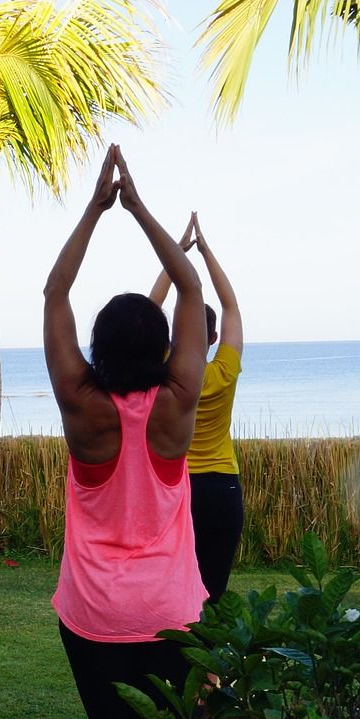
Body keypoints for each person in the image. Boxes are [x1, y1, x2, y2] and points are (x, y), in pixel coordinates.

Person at [43, 145, 208, 719]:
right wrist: (141, 209)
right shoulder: (179, 404)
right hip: (174, 610)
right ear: (164, 349)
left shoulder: (83, 407)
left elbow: (54, 290)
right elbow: (191, 287)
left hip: (96, 612)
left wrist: (97, 207)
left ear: (104, 351)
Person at [149, 213, 246, 601]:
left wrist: (177, 256)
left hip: (175, 487)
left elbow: (149, 308)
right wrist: (205, 252)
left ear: (174, 335)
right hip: (221, 487)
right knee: (213, 593)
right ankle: (207, 661)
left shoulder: (163, 371)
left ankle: (170, 658)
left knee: (173, 585)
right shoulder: (223, 370)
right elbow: (231, 307)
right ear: (212, 337)